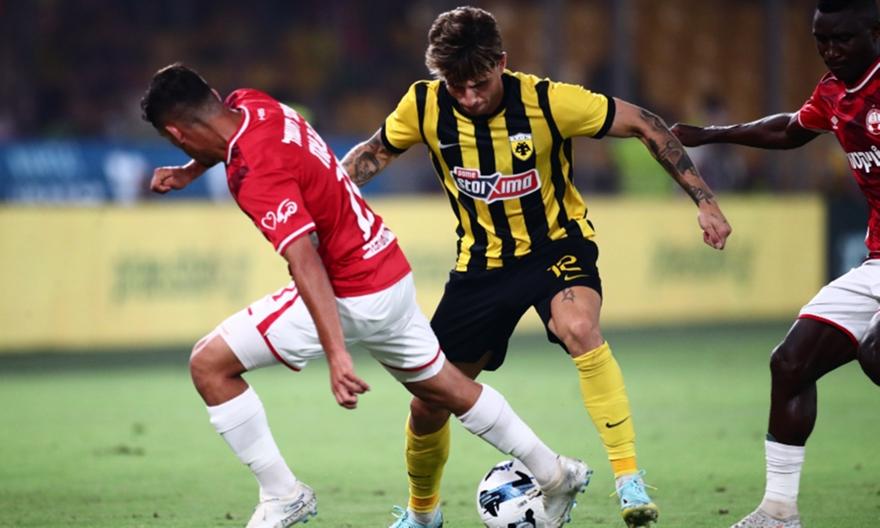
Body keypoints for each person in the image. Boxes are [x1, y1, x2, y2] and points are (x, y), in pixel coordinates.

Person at [140, 63, 592, 528]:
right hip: (388, 268)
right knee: (448, 389)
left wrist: (336, 353)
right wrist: (190, 171)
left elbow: (305, 261)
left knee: (209, 364)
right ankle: (554, 473)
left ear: (175, 133)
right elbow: (224, 138)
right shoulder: (252, 102)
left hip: (351, 291)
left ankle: (283, 494)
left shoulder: (254, 174)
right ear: (214, 95)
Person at [339, 6, 733, 528]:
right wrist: (324, 198)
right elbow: (372, 154)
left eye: (479, 84)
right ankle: (422, 514)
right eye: (456, 86)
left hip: (556, 248)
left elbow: (646, 123)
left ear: (502, 63)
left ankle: (628, 479)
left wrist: (705, 201)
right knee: (427, 405)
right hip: (481, 266)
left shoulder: (549, 101)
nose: (469, 97)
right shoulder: (424, 105)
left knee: (579, 327)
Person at [671, 1, 880, 526]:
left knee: (876, 354)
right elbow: (789, 130)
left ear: (875, 32)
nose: (830, 50)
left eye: (842, 39)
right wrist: (712, 134)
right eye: (821, 40)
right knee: (790, 363)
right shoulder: (834, 92)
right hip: (877, 261)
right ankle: (779, 512)